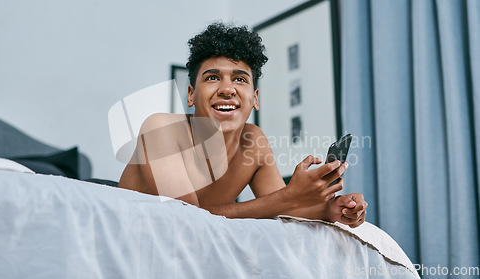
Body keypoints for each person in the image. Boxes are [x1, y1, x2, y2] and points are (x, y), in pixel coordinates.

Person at [118, 23, 367, 228]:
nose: (227, 89)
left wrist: (332, 209)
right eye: (213, 77)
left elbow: (286, 208)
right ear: (191, 95)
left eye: (239, 79)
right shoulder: (160, 129)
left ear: (255, 98)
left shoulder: (253, 142)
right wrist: (289, 196)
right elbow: (186, 220)